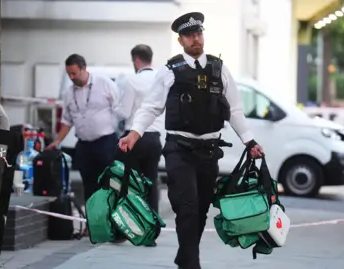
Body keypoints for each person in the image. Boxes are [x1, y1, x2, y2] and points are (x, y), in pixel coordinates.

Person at [118, 12, 263, 269]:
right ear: (181, 40)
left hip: (209, 151)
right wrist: (134, 133)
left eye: (199, 34)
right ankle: (190, 264)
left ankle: (185, 255)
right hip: (179, 150)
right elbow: (151, 108)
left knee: (201, 209)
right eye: (189, 35)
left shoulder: (220, 69)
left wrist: (250, 142)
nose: (196, 39)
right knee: (187, 208)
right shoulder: (169, 71)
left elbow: (235, 110)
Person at [48, 54, 122, 204]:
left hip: (105, 143)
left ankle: (111, 222)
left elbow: (120, 110)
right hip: (84, 146)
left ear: (83, 69)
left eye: (74, 73)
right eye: (69, 74)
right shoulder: (68, 93)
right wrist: (57, 141)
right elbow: (67, 121)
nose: (71, 77)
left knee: (109, 184)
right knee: (88, 186)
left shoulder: (104, 83)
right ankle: (92, 224)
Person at [115, 44, 163, 221]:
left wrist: (115, 107)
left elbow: (124, 112)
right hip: (154, 138)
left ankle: (134, 224)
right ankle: (152, 225)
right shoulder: (160, 80)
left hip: (133, 137)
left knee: (132, 183)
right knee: (152, 182)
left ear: (136, 60)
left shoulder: (132, 81)